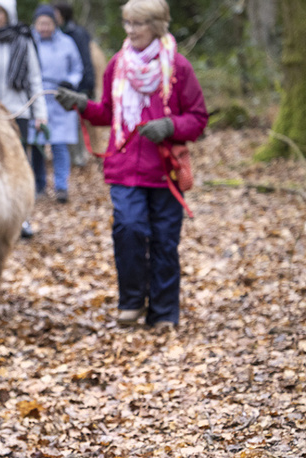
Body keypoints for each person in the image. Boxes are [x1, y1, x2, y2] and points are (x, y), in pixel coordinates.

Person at [55, 0, 207, 330]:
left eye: (138, 23)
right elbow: (107, 113)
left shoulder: (178, 67)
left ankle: (163, 312)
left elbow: (198, 119)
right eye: (128, 23)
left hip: (165, 171)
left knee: (165, 241)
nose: (131, 30)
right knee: (128, 229)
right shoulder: (117, 65)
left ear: (157, 25)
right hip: (125, 169)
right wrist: (82, 105)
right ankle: (132, 301)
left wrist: (170, 126)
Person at [0, 0, 48, 238]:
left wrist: (40, 114)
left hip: (18, 113)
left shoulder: (23, 40)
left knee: (17, 165)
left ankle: (21, 218)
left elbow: (35, 79)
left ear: (8, 14)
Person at [27, 4, 82, 204]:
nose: (44, 28)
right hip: (37, 98)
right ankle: (38, 185)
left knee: (59, 144)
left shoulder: (67, 43)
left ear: (55, 24)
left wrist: (70, 82)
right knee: (37, 145)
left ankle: (61, 186)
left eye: (48, 23)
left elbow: (77, 68)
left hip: (60, 99)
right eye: (41, 23)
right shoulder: (29, 42)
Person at [53, 1, 97, 166]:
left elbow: (85, 61)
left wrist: (87, 87)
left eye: (55, 13)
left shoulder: (77, 33)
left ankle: (81, 157)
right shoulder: (58, 33)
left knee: (79, 123)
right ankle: (74, 157)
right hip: (67, 85)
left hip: (80, 85)